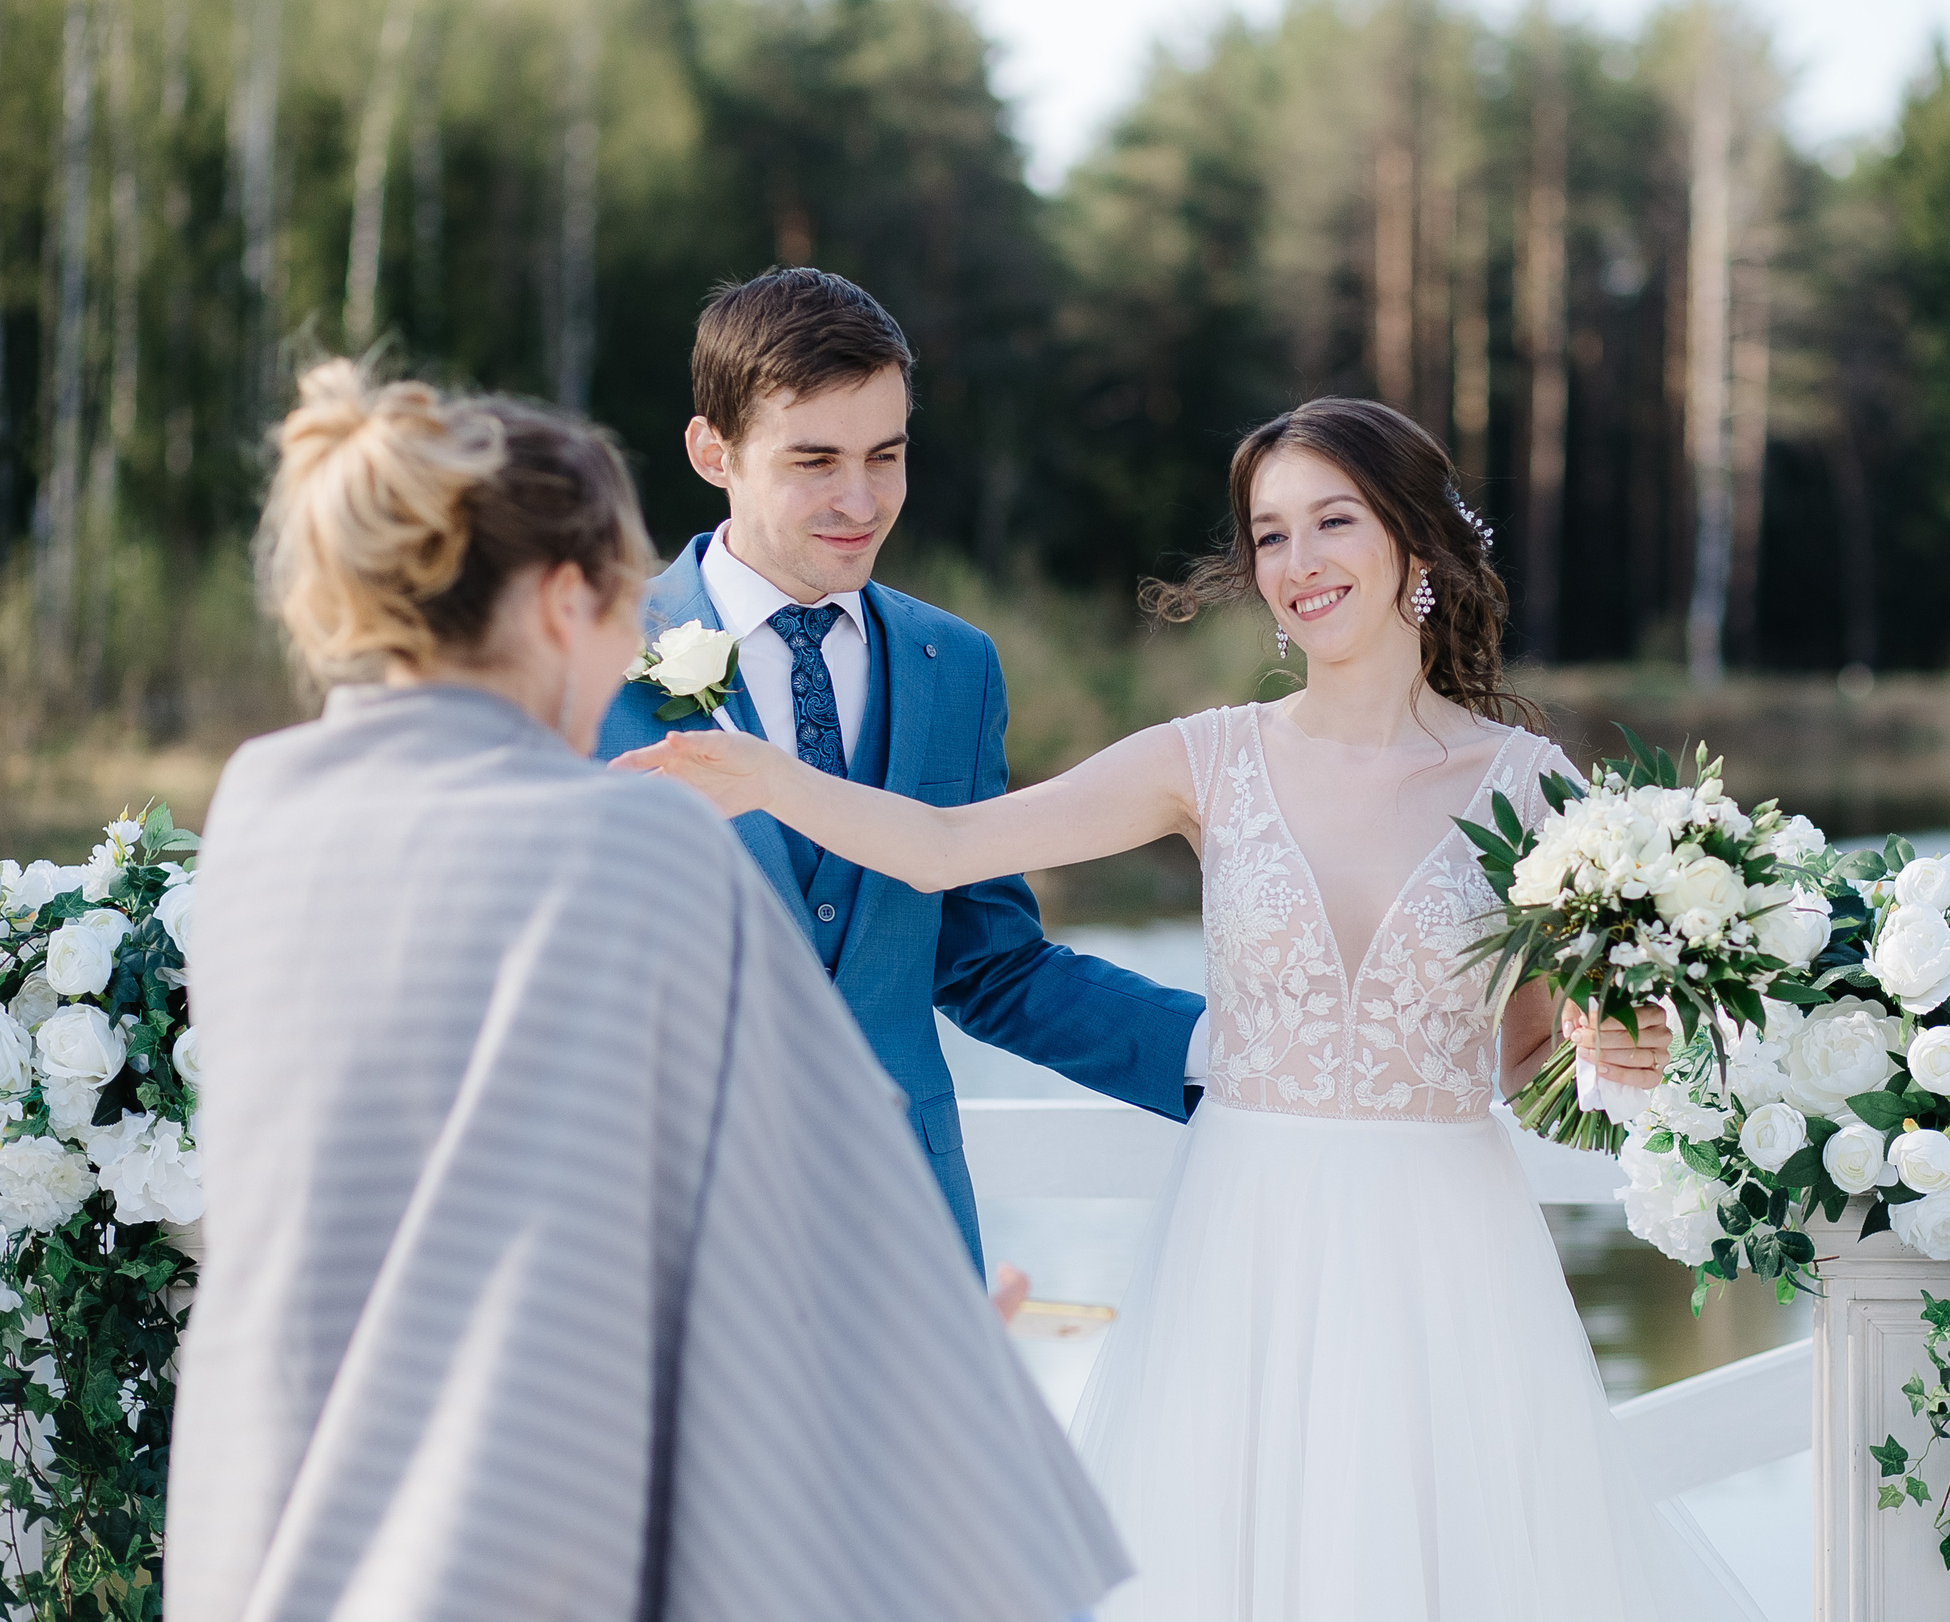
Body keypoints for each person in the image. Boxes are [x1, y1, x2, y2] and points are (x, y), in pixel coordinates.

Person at [620, 398, 1755, 1620]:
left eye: (1332, 522)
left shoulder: (1534, 792)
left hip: (1450, 1257)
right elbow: (946, 849)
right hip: (1246, 1243)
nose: (1298, 562)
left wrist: (1614, 1046)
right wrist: (769, 779)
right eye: (1270, 534)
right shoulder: (1204, 760)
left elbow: (1533, 1056)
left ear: (1415, 540)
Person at [166, 362, 1128, 1622]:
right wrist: (944, 1353)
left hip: (272, 1484)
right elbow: (809, 1159)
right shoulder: (635, 838)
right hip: (518, 1498)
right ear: (563, 602)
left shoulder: (259, 809)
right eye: (622, 604)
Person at [593, 268, 1228, 1284]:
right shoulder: (586, 657)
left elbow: (989, 964)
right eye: (815, 461)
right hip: (656, 1234)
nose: (861, 500)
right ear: (713, 452)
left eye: (885, 456)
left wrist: (1232, 1053)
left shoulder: (956, 667)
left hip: (907, 1240)